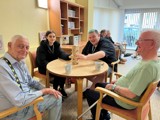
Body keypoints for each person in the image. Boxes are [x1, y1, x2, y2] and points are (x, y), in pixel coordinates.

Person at [84, 29, 160, 120]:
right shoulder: (150, 61)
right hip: (122, 90)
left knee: (89, 93)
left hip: (124, 101)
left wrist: (113, 87)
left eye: (140, 40)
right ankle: (104, 115)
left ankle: (101, 118)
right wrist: (117, 81)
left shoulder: (147, 68)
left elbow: (131, 94)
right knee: (98, 84)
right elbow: (132, 78)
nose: (136, 42)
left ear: (151, 44)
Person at [0, 35, 62, 120]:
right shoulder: (2, 68)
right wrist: (43, 91)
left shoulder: (20, 61)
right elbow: (19, 100)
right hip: (14, 111)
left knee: (54, 93)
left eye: (27, 47)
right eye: (20, 46)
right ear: (9, 45)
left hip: (25, 99)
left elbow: (30, 81)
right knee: (57, 98)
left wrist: (47, 90)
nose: (24, 51)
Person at [36, 30, 70, 97]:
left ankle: (61, 88)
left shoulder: (56, 45)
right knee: (57, 73)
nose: (52, 38)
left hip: (53, 66)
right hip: (44, 67)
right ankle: (55, 91)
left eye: (54, 36)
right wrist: (51, 67)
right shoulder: (41, 48)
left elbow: (61, 53)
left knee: (63, 71)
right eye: (50, 36)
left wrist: (68, 56)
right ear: (46, 37)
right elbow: (42, 61)